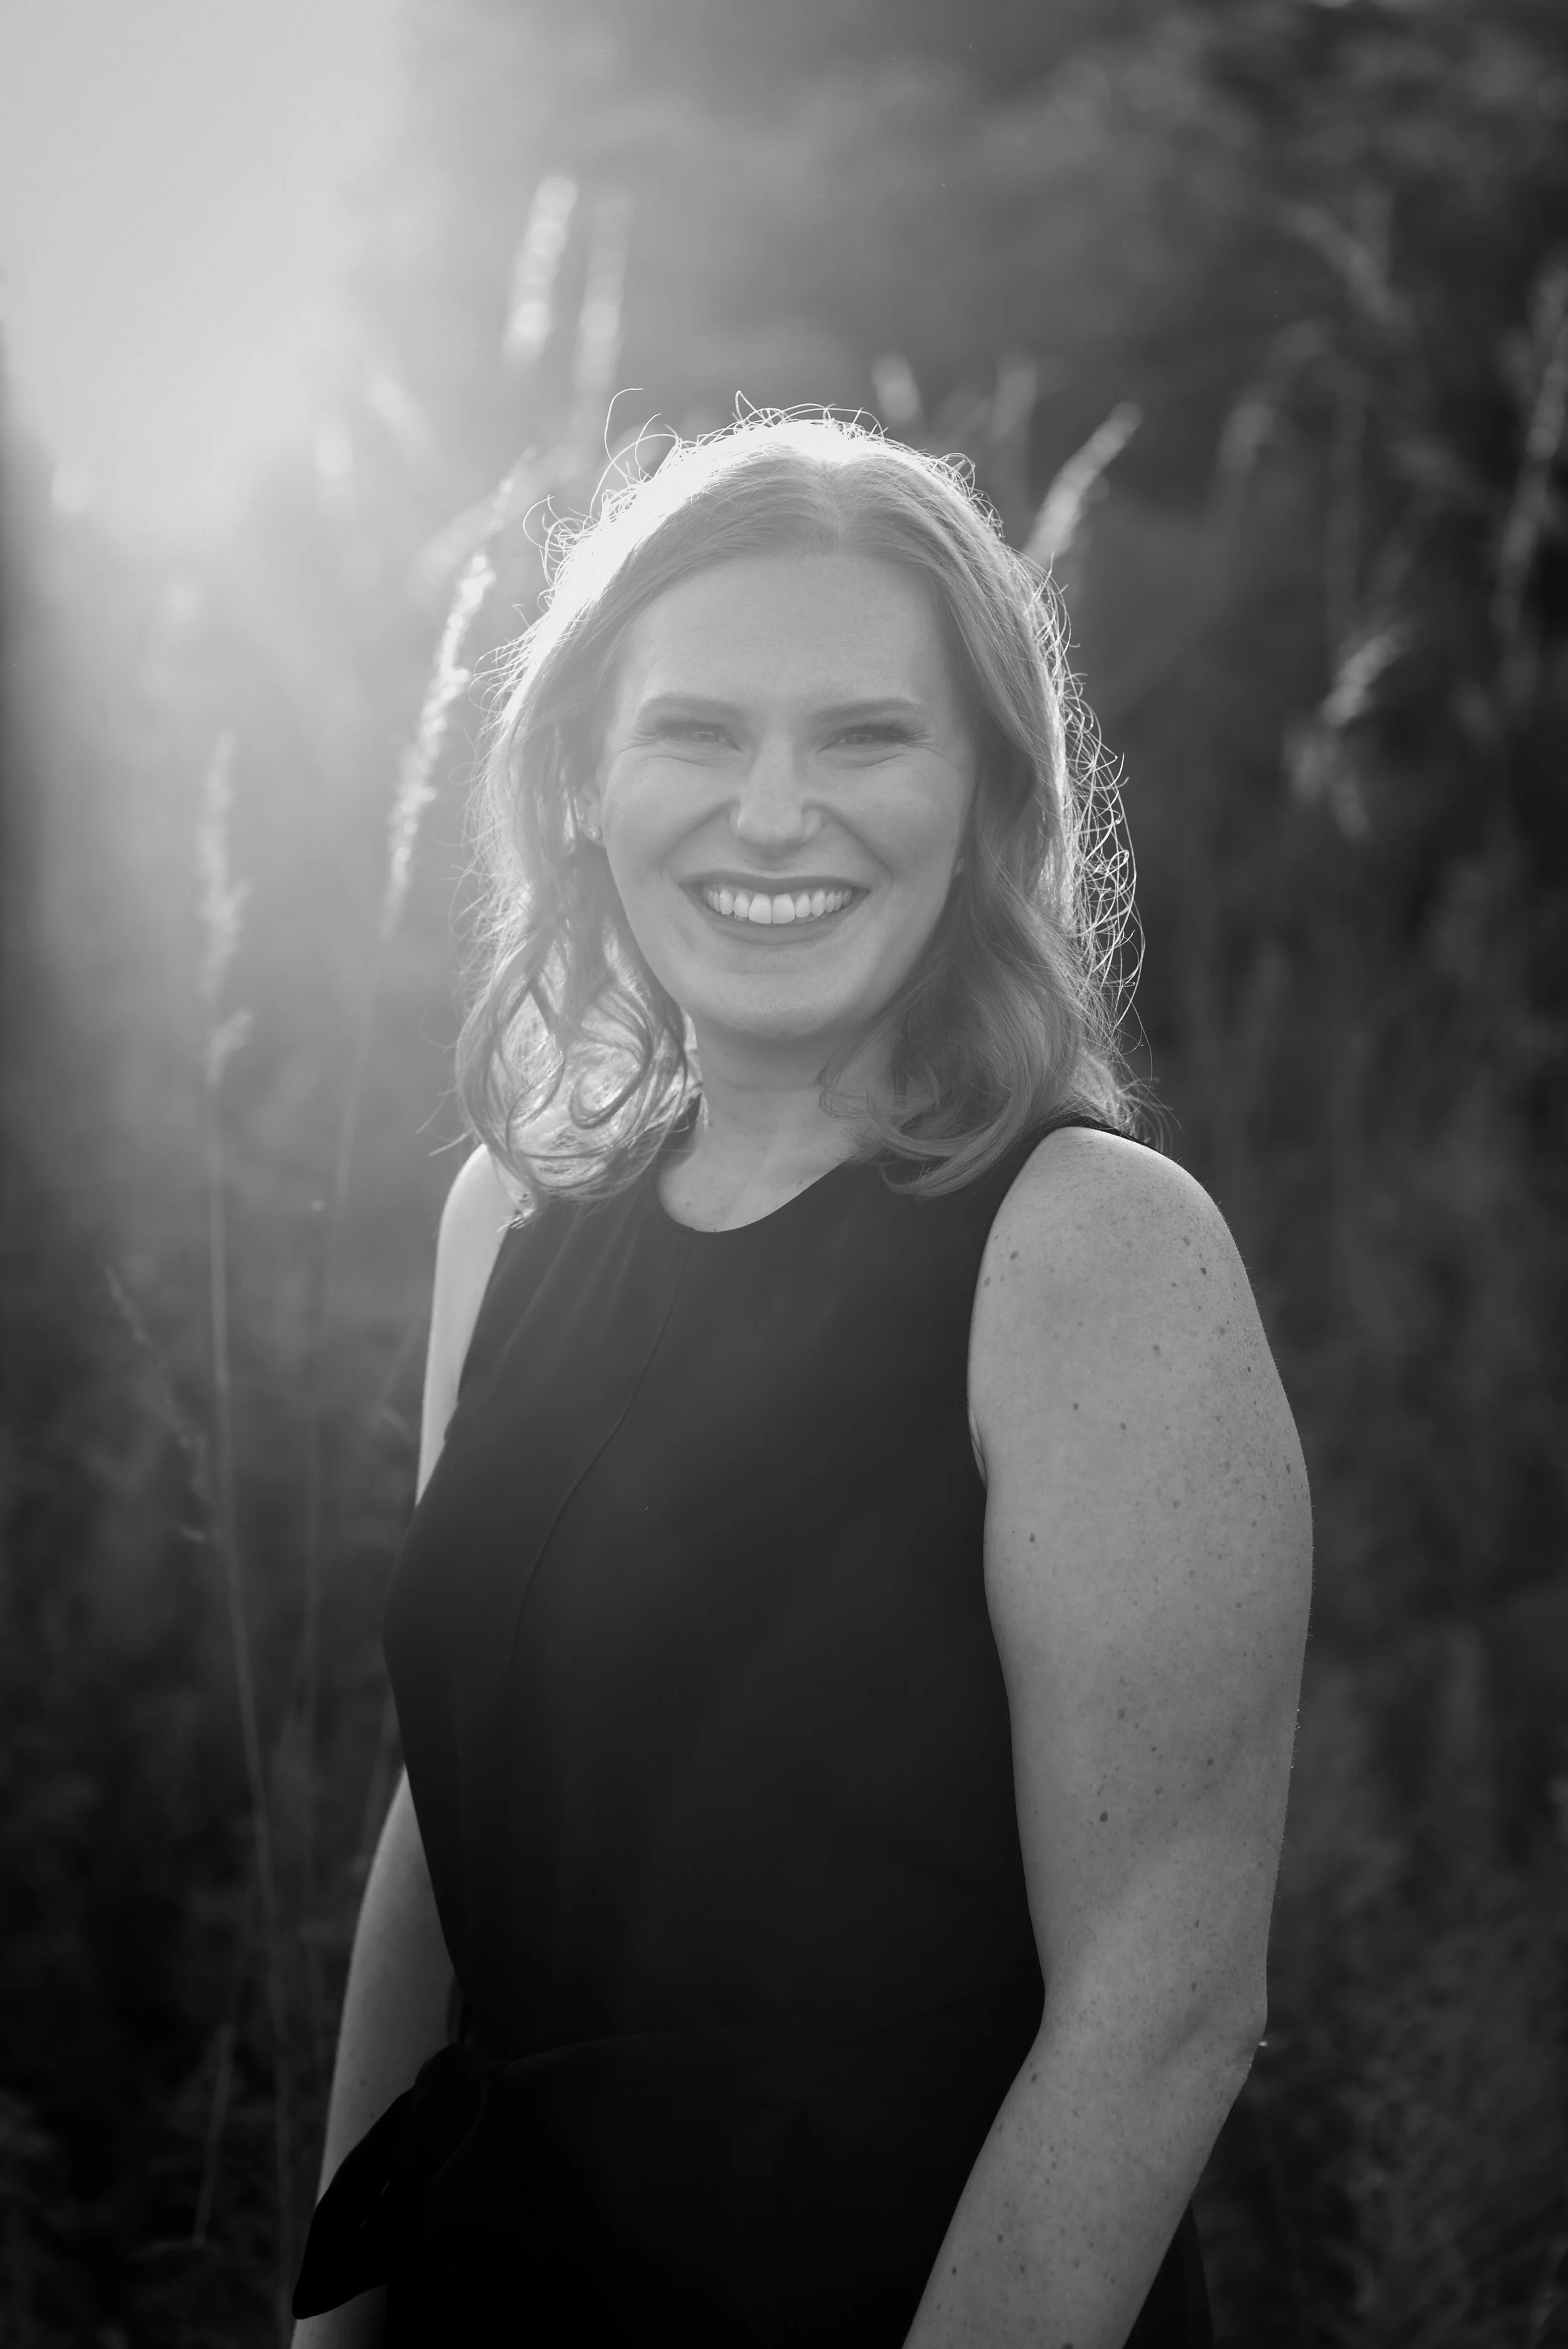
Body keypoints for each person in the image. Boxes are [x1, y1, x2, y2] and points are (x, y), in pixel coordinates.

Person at [291, 413, 1311, 2348]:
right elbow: (446, 1815)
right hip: (498, 2286)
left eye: (864, 737)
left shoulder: (1090, 1245)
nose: (776, 814)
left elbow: (1163, 2011)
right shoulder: (503, 1222)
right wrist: (332, 2313)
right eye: (697, 733)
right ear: (585, 778)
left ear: (983, 796)